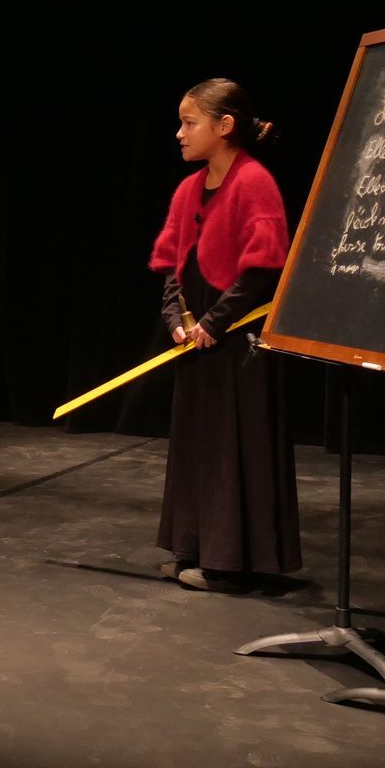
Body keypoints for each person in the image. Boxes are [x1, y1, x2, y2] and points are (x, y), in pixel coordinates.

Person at [148, 78, 299, 591]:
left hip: (238, 341)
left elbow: (261, 269)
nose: (179, 133)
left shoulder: (254, 182)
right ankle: (195, 546)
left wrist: (215, 322)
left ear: (224, 125)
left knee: (234, 448)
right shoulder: (190, 189)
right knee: (198, 444)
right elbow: (173, 260)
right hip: (198, 339)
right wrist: (177, 316)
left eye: (189, 123)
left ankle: (234, 565)